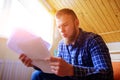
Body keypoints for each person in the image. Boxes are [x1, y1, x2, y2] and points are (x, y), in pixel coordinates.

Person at [19, 8, 114, 80]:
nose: (61, 30)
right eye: (59, 27)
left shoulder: (93, 40)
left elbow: (106, 73)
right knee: (36, 75)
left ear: (76, 23)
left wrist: (71, 70)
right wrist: (36, 63)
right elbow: (56, 69)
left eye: (65, 25)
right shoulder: (61, 44)